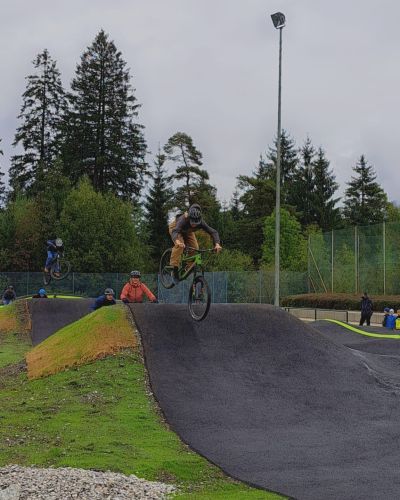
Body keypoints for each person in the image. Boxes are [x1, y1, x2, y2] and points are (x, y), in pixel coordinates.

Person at [168, 204, 222, 284]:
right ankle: (174, 269)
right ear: (189, 217)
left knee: (195, 247)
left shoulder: (201, 223)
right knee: (180, 246)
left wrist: (217, 244)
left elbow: (213, 232)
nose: (194, 224)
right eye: (192, 222)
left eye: (196, 223)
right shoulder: (183, 219)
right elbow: (175, 231)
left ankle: (187, 267)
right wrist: (177, 241)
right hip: (176, 228)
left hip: (188, 232)